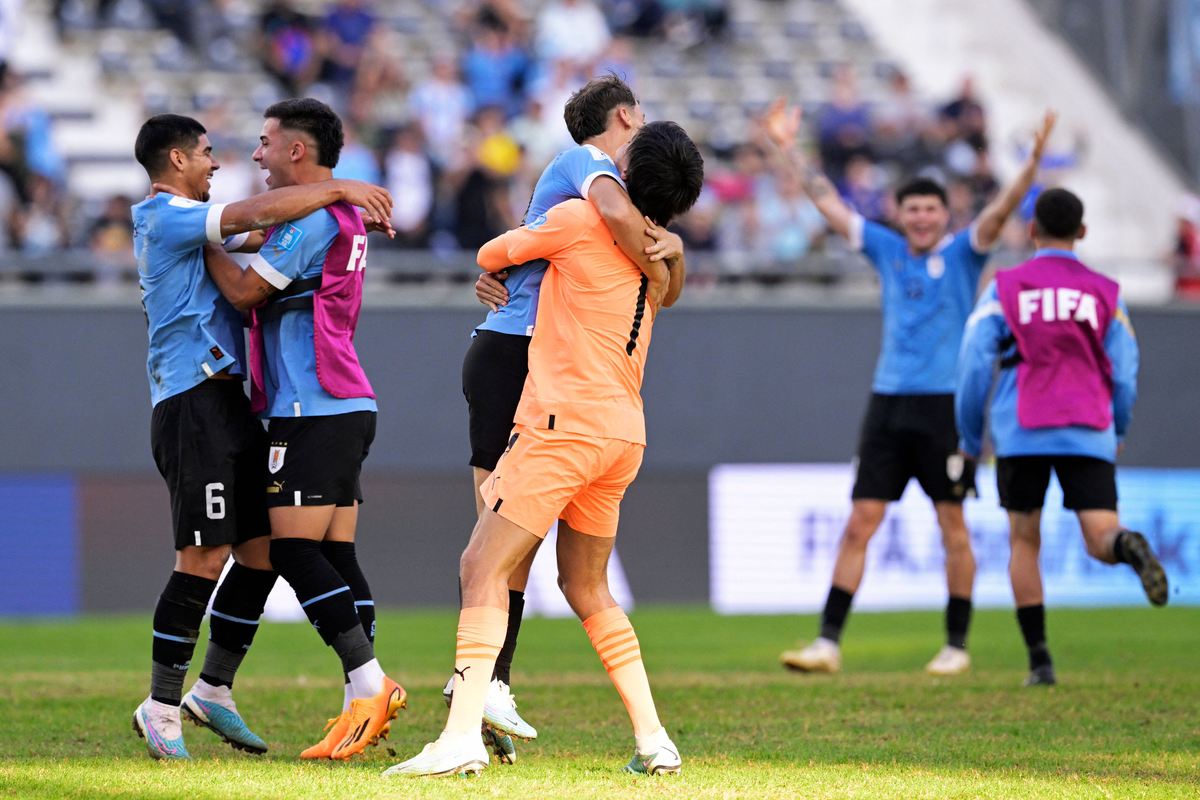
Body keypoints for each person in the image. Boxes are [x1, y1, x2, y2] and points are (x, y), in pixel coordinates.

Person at [386, 119, 704, 778]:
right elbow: (669, 290)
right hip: (623, 432)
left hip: (563, 424)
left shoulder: (577, 218)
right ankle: (653, 739)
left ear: (624, 171)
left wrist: (501, 271)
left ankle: (460, 736)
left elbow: (491, 252)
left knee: (481, 566)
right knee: (587, 585)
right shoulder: (661, 256)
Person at [129, 113, 393, 761]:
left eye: (257, 144)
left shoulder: (203, 221)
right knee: (202, 557)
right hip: (192, 402)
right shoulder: (165, 215)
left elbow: (262, 231)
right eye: (206, 152)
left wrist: (336, 206)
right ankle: (160, 706)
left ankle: (213, 689)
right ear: (176, 160)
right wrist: (341, 189)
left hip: (235, 404)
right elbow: (253, 218)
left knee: (263, 552)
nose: (220, 162)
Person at [766, 98, 1057, 676]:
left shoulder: (965, 252)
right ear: (899, 214)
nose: (922, 218)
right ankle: (827, 643)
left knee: (953, 526)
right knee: (860, 522)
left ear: (947, 215)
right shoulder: (887, 248)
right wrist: (787, 147)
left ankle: (956, 645)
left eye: (931, 209)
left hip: (945, 408)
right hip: (888, 404)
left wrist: (1031, 164)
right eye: (913, 209)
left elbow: (1001, 210)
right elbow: (827, 202)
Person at [452, 74, 685, 764]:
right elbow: (631, 241)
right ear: (624, 116)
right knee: (507, 548)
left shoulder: (601, 207)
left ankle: (485, 693)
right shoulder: (591, 174)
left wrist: (669, 256)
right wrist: (666, 256)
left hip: (546, 377)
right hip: (527, 361)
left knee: (500, 551)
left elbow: (501, 253)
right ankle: (490, 686)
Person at [200, 98, 402, 761]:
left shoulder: (313, 220)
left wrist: (194, 239)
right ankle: (356, 705)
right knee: (335, 556)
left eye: (265, 142)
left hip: (309, 408)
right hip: (342, 402)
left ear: (295, 150)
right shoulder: (331, 215)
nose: (256, 154)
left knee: (289, 551)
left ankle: (370, 684)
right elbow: (256, 237)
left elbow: (243, 292)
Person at [957, 187, 1167, 686]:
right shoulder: (1106, 293)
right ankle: (1127, 544)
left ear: (1032, 230)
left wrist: (969, 437)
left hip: (1023, 428)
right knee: (1099, 536)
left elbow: (973, 362)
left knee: (1024, 539)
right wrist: (1117, 426)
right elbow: (1125, 373)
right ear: (1082, 231)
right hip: (1087, 426)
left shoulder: (1005, 287)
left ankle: (1040, 661)